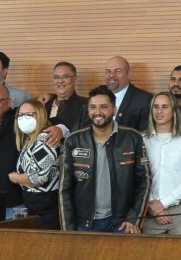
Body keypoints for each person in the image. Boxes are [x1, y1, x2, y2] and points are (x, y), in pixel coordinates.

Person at [58, 85, 150, 232]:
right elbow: (65, 189)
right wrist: (67, 230)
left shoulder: (132, 138)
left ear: (114, 110)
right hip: (83, 224)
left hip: (122, 224)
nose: (98, 112)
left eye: (104, 107)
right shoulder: (74, 141)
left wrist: (134, 218)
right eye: (93, 107)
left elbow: (144, 181)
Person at [142, 92, 181, 235]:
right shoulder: (142, 140)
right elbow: (138, 178)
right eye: (155, 107)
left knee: (180, 250)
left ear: (174, 111)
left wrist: (162, 204)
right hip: (148, 212)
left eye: (165, 107)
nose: (159, 111)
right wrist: (152, 205)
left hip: (179, 212)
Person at [9, 99, 61, 229]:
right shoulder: (29, 140)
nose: (24, 118)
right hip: (35, 208)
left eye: (29, 115)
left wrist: (16, 178)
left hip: (47, 210)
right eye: (21, 115)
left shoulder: (45, 139)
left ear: (40, 115)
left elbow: (38, 178)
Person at [105, 55, 153, 131]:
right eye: (108, 71)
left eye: (118, 71)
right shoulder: (97, 98)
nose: (111, 75)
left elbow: (144, 134)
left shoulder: (145, 101)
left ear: (129, 74)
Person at [46, 61, 89, 131]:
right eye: (56, 77)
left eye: (65, 77)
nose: (60, 81)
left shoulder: (85, 105)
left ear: (75, 79)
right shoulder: (45, 104)